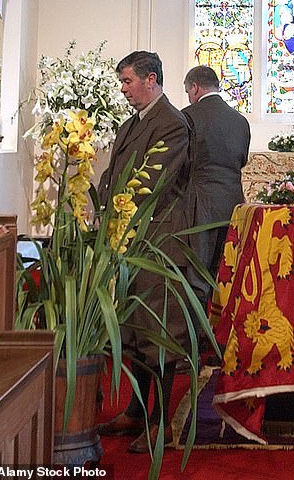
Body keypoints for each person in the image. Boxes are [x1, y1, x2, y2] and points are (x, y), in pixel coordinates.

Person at [97, 51, 194, 453]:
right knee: (134, 330)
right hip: (129, 238)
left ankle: (160, 424)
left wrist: (116, 200)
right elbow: (116, 171)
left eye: (127, 81)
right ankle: (136, 411)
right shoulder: (134, 122)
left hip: (158, 238)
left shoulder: (172, 123)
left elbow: (152, 179)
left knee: (159, 332)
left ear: (151, 79)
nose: (123, 89)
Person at [182, 65, 251, 310]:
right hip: (235, 204)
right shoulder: (240, 120)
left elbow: (183, 162)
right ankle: (225, 337)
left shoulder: (188, 116)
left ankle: (197, 341)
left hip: (201, 204)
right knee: (229, 272)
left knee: (198, 274)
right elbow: (241, 159)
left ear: (195, 87)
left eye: (188, 91)